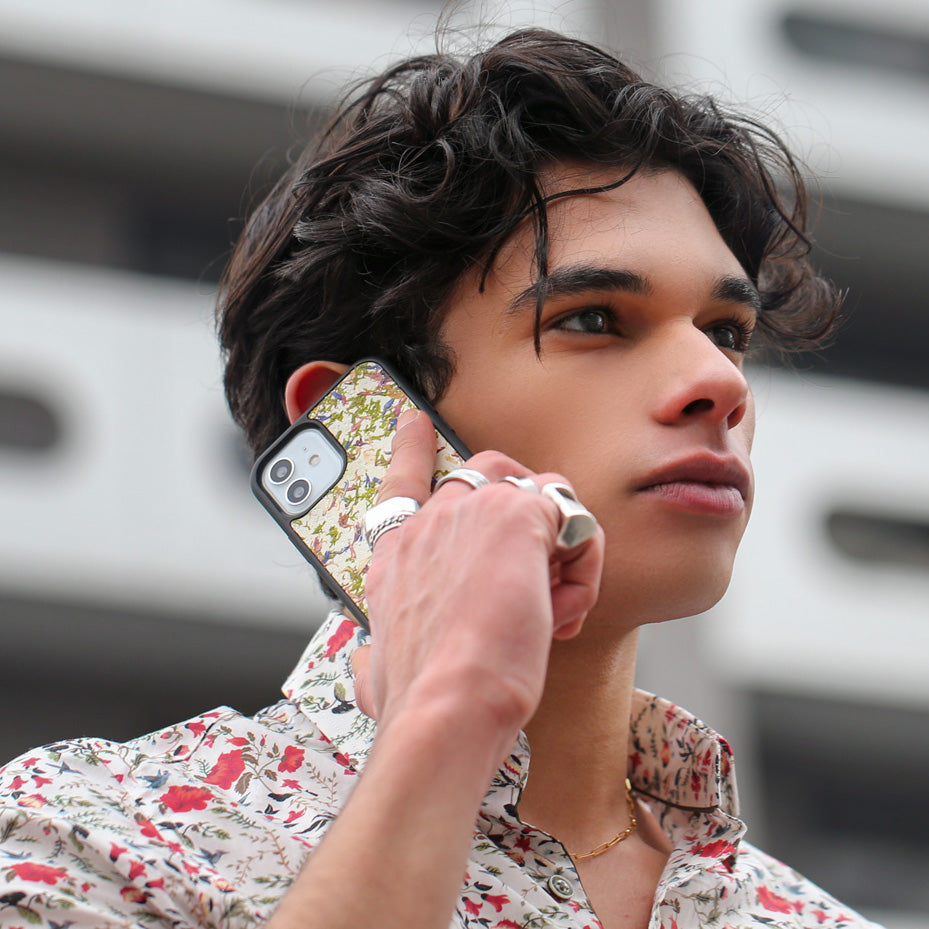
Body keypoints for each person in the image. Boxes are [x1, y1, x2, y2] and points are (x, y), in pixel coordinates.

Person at [0, 28, 880, 929]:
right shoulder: (92, 836)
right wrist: (447, 723)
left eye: (725, 331)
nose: (720, 382)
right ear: (366, 424)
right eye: (594, 319)